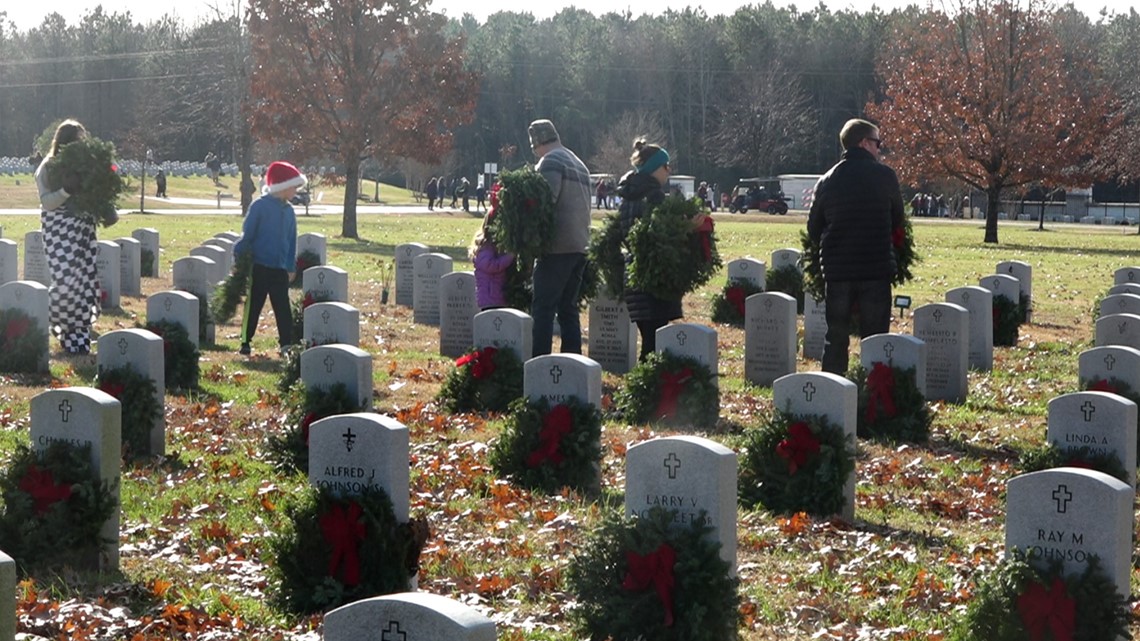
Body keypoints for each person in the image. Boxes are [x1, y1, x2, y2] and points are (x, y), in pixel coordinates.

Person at [806, 118, 904, 375]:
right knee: (875, 339)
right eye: (877, 143)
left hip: (838, 273)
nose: (879, 149)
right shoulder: (885, 176)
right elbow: (898, 220)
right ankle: (873, 392)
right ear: (863, 143)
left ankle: (833, 390)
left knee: (835, 337)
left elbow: (813, 229)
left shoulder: (827, 180)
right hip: (875, 269)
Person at [528, 118, 592, 356]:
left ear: (537, 143)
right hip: (580, 246)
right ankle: (572, 361)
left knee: (543, 308)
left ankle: (540, 361)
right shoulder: (578, 162)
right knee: (568, 308)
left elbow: (544, 202)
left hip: (557, 247)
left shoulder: (551, 161)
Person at [35, 119, 99, 355]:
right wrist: (66, 190)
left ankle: (78, 339)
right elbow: (47, 202)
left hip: (82, 231)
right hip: (59, 232)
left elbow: (99, 193)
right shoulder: (48, 167)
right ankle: (45, 320)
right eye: (77, 141)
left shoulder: (87, 167)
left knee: (83, 285)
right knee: (64, 283)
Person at [617, 139, 682, 360]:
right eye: (666, 165)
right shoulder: (654, 197)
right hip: (653, 276)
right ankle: (648, 389)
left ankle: (646, 386)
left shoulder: (628, 196)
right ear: (655, 168)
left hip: (633, 274)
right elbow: (663, 235)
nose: (669, 170)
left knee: (648, 339)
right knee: (653, 344)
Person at [234, 160, 304, 356]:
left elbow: (291, 240)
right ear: (282, 186)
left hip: (279, 268)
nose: (296, 191)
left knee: (282, 306)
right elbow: (248, 235)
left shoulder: (289, 211)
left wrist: (291, 266)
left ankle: (286, 343)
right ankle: (246, 340)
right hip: (259, 266)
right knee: (254, 304)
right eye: (294, 187)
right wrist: (239, 258)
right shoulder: (260, 207)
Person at [470, 214, 514, 310]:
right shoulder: (485, 247)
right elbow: (491, 266)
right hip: (489, 298)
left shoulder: (495, 247)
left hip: (497, 296)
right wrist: (510, 257)